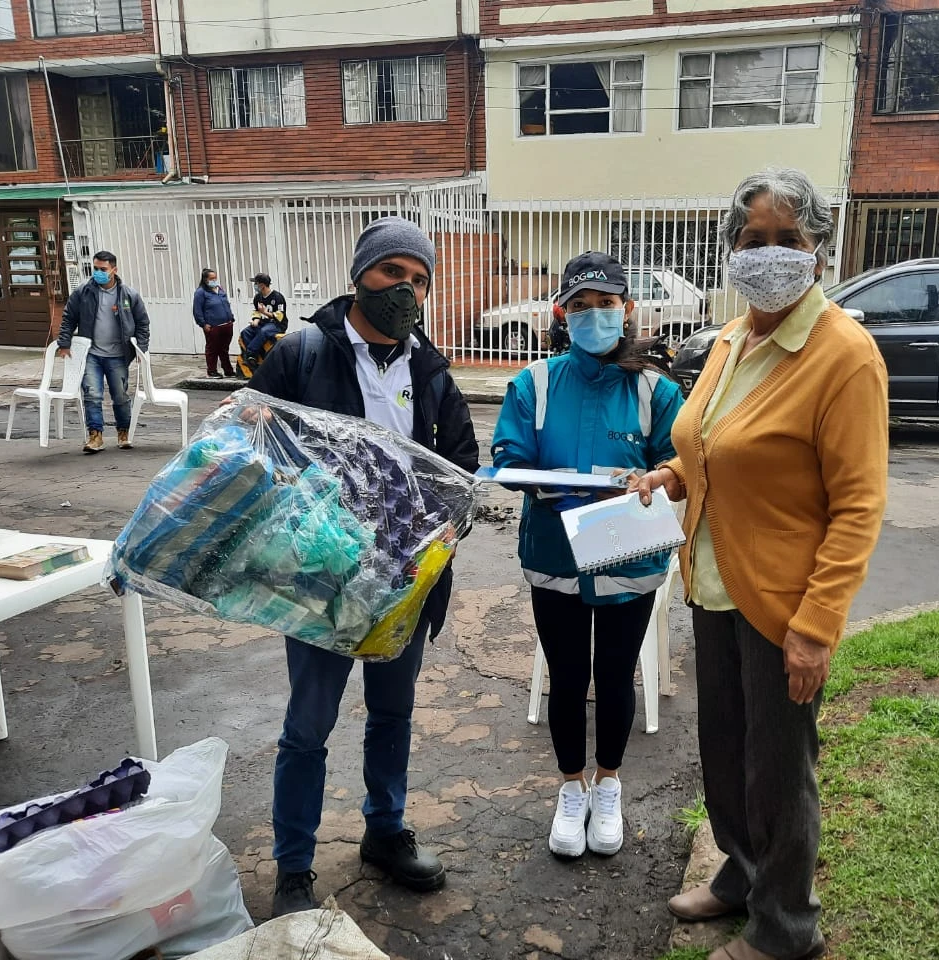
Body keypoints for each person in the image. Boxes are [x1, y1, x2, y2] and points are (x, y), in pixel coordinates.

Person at [633, 169, 888, 960]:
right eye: (752, 239)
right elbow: (709, 448)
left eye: (788, 239)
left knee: (779, 771)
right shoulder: (733, 339)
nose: (768, 254)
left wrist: (816, 627)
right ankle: (741, 876)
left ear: (820, 251)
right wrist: (669, 477)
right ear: (731, 250)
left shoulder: (843, 355)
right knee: (726, 751)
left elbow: (857, 507)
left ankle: (785, 929)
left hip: (782, 604)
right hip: (713, 587)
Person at [246, 217, 480, 917]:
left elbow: (461, 468)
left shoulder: (430, 370)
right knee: (307, 728)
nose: (405, 289)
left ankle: (385, 830)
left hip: (403, 583)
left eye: (419, 279)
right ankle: (294, 866)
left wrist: (440, 535)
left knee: (392, 714)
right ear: (359, 276)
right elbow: (250, 450)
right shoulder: (303, 354)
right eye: (391, 272)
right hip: (320, 581)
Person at [491, 251, 684, 860]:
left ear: (627, 310)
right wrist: (543, 481)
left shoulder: (655, 387)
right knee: (569, 676)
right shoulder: (534, 383)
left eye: (606, 304)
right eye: (581, 305)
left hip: (629, 555)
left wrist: (655, 478)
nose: (594, 315)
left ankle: (609, 784)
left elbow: (680, 462)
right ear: (562, 313)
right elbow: (508, 455)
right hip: (556, 555)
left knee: (617, 674)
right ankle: (571, 788)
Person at [57, 250, 150, 454]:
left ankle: (123, 432)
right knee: (92, 394)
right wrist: (64, 343)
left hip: (118, 355)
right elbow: (68, 318)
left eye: (103, 269)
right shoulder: (83, 293)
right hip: (91, 354)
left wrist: (141, 349)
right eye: (95, 269)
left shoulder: (128, 295)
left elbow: (143, 323)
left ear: (114, 270)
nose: (98, 273)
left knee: (120, 395)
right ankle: (95, 436)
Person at [239, 272, 288, 371]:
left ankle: (250, 354)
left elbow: (280, 316)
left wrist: (265, 312)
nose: (255, 286)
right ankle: (254, 357)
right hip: (263, 323)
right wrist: (256, 321)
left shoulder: (277, 297)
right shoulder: (258, 297)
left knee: (263, 331)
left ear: (262, 285)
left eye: (256, 283)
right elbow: (256, 312)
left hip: (277, 324)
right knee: (246, 332)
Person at [193, 267, 236, 378]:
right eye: (211, 279)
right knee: (212, 349)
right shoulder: (200, 292)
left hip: (226, 324)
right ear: (205, 279)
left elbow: (226, 304)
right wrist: (203, 324)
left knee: (224, 349)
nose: (214, 280)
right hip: (213, 326)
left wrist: (231, 318)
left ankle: (228, 370)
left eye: (215, 278)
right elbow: (197, 310)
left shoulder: (219, 289)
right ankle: (212, 371)